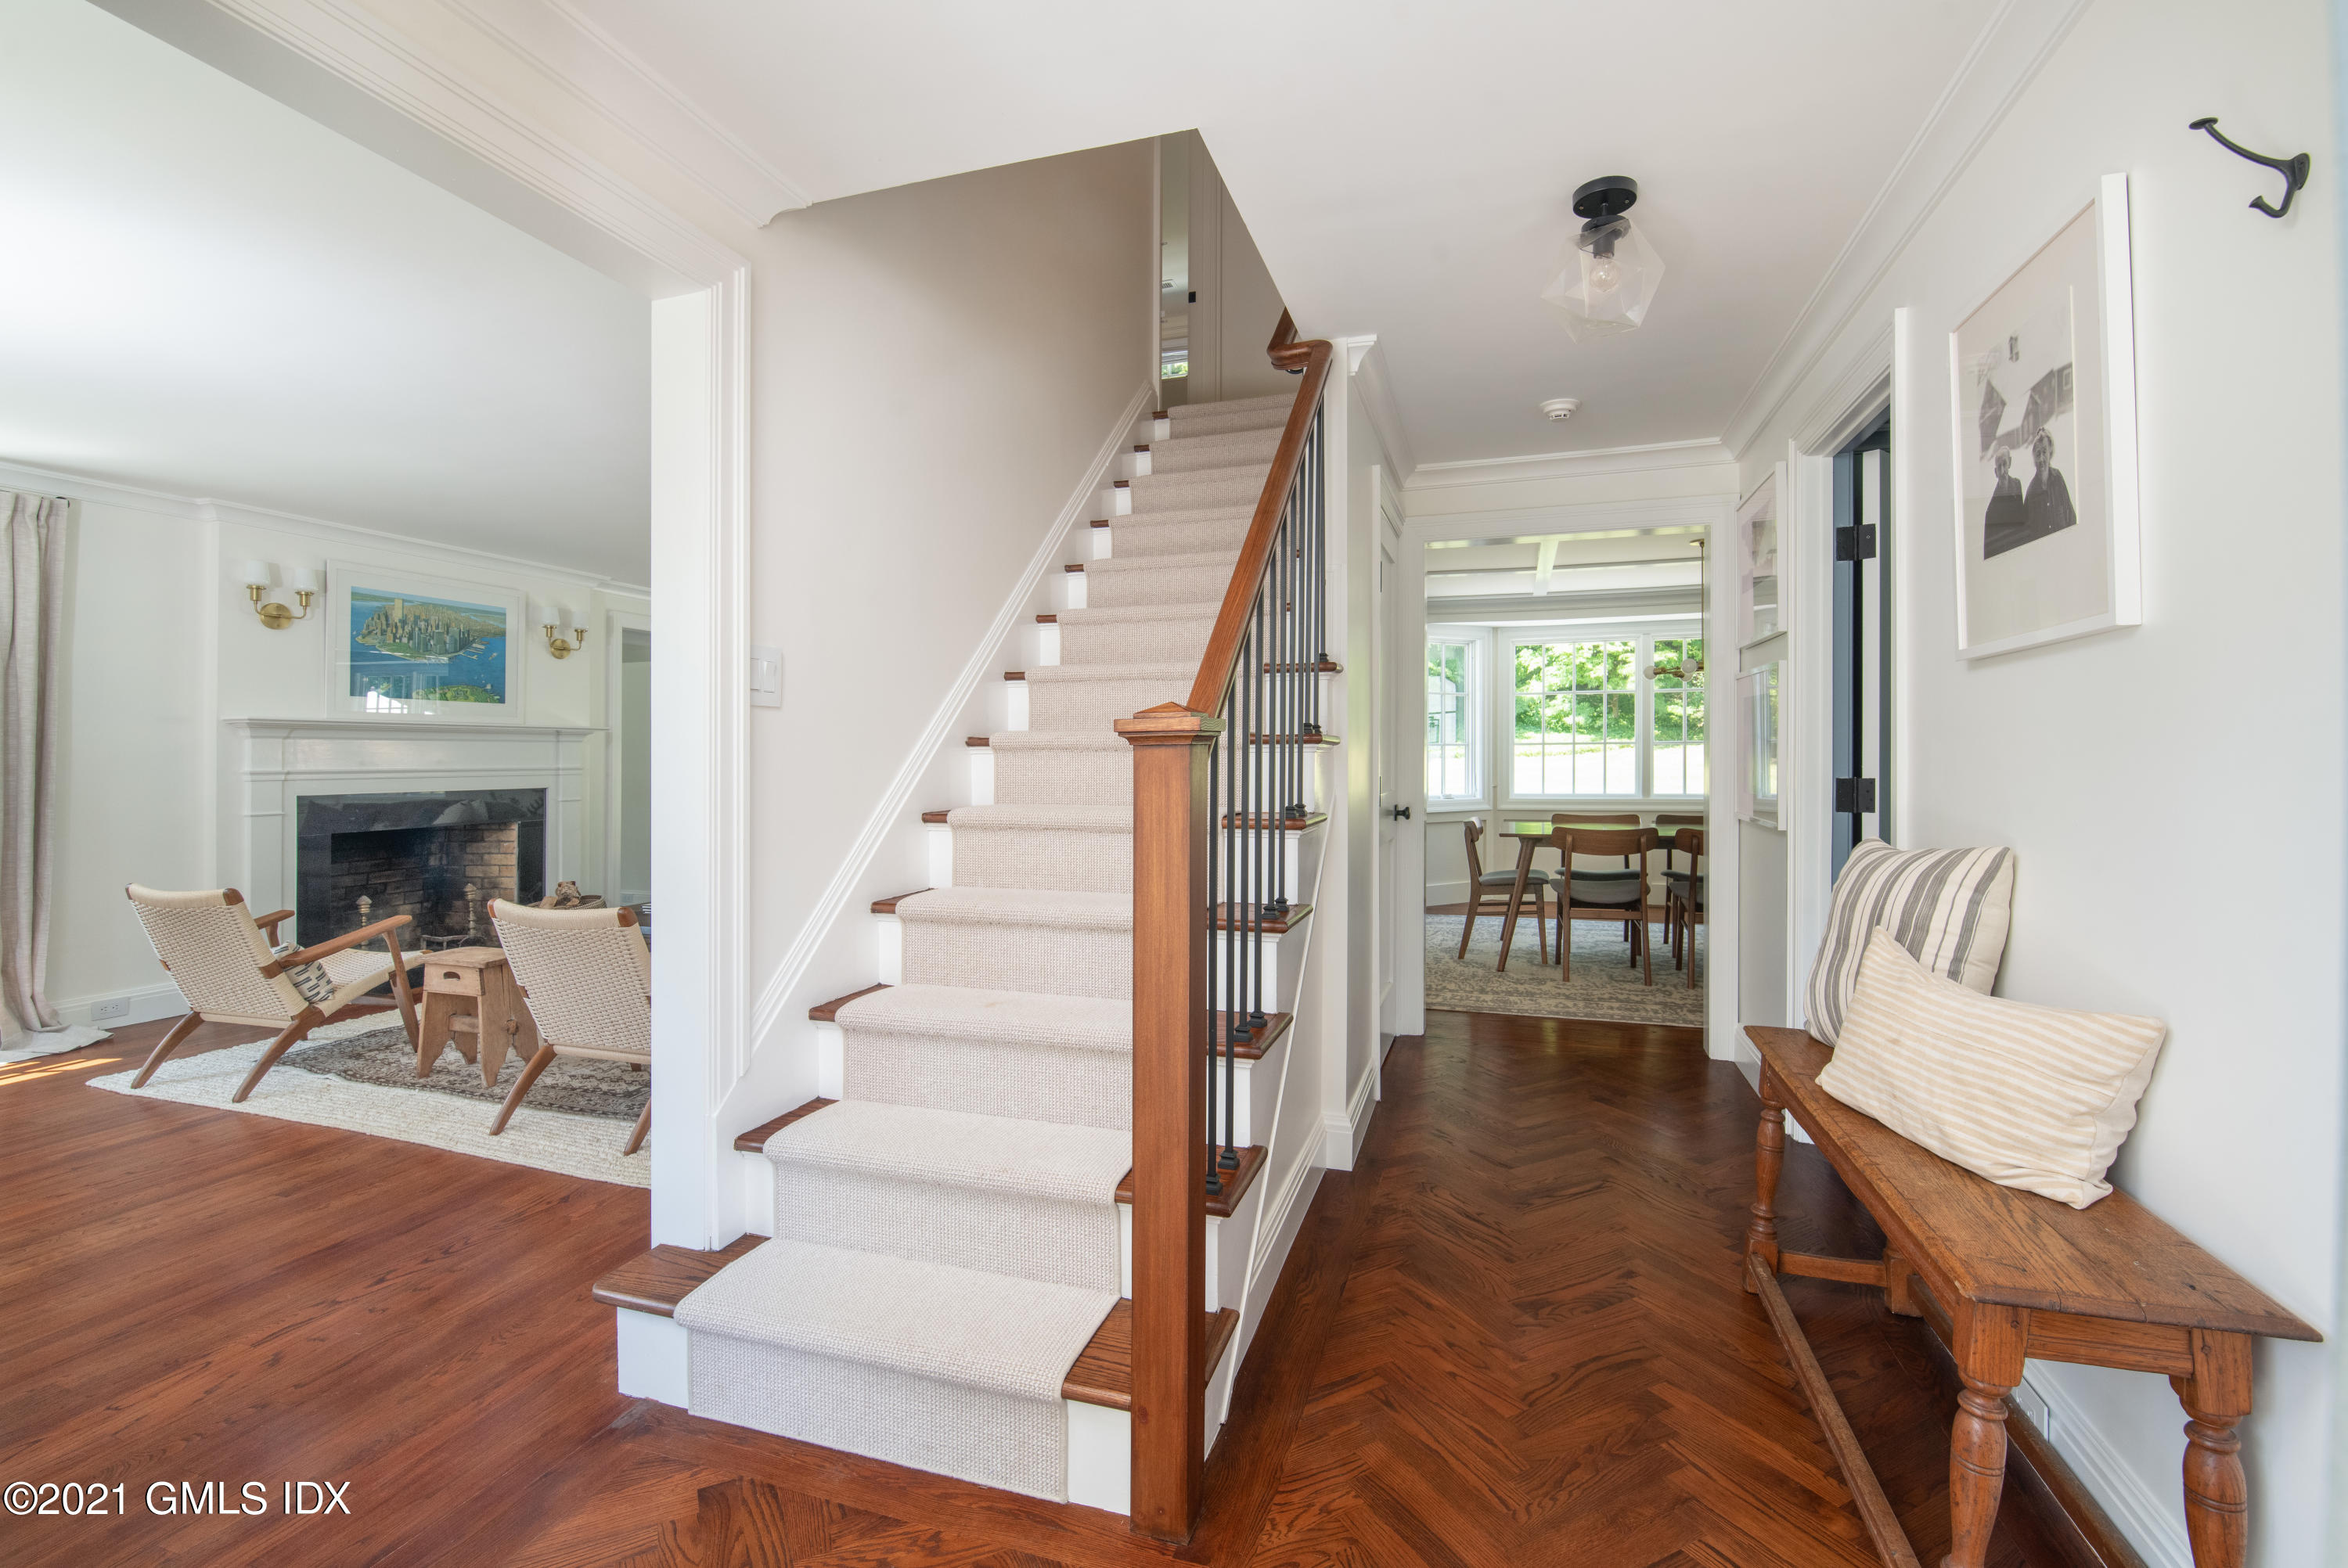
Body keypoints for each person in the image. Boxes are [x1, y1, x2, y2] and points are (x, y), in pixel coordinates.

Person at [2022, 426, 2076, 544]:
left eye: (2044, 452)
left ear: (2050, 453)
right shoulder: (2031, 492)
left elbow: (2070, 516)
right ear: (2034, 458)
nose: (2041, 459)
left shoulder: (2058, 479)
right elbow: (2025, 535)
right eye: (2038, 454)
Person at [1982, 445, 2028, 556]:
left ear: (2010, 463)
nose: (2002, 471)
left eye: (2004, 464)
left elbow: (2023, 522)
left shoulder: (2017, 485)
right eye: (1999, 466)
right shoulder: (1991, 511)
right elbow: (1989, 551)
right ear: (1995, 472)